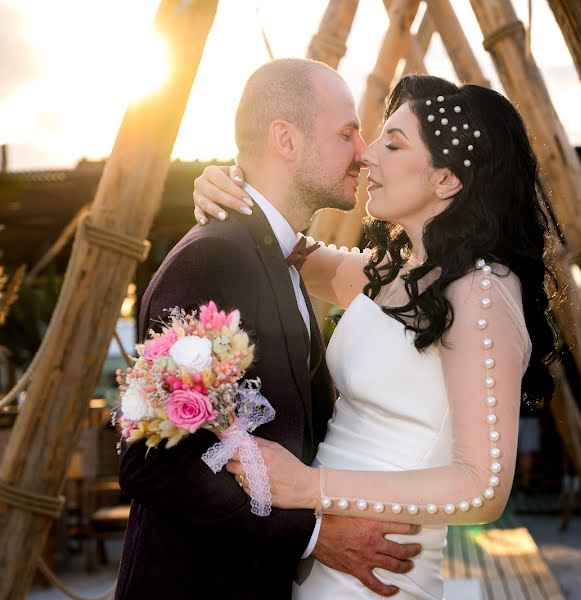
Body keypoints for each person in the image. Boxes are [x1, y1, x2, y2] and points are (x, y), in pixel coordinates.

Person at [192, 74, 559, 599]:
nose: (367, 157)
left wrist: (309, 486)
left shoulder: (481, 291)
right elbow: (284, 243)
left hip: (379, 577)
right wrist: (225, 182)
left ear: (447, 180)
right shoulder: (396, 275)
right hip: (324, 553)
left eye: (393, 143)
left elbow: (483, 488)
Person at [116, 59, 423, 600]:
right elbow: (154, 464)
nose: (362, 150)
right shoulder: (213, 257)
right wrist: (312, 535)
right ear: (285, 139)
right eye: (347, 132)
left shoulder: (281, 256)